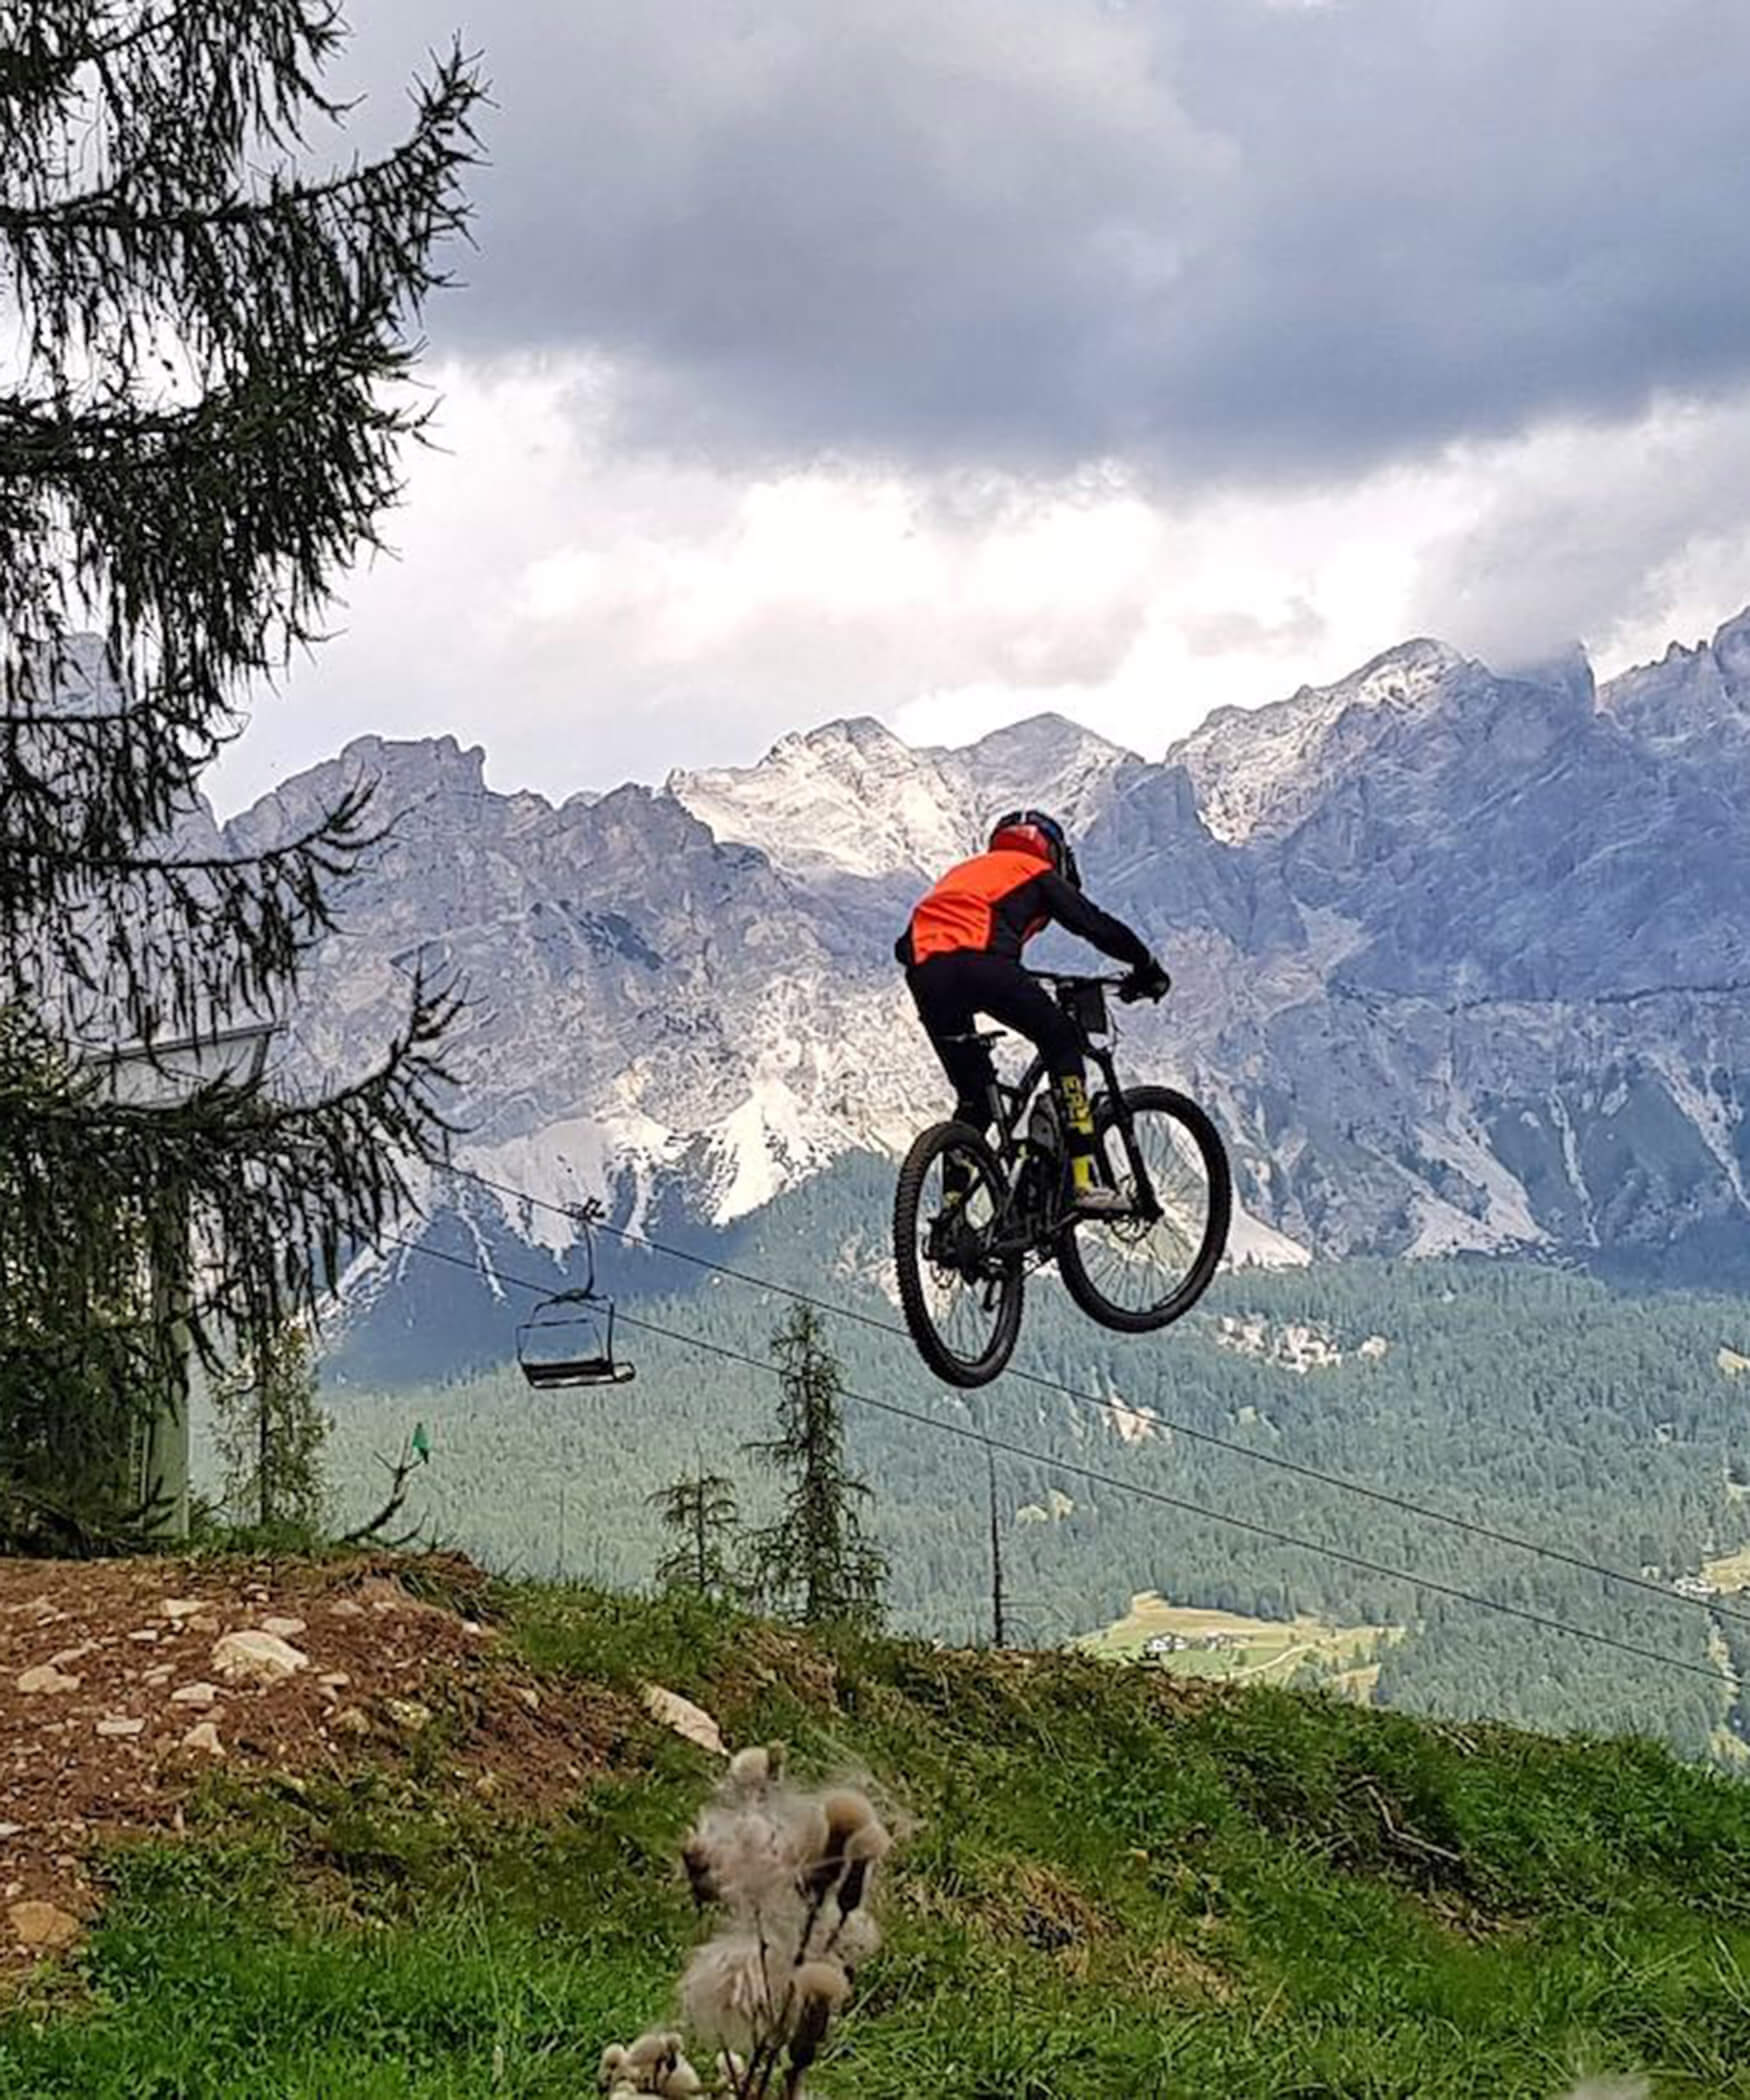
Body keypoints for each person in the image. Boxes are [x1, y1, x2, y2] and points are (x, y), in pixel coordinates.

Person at [895, 809, 1170, 1217]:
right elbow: (1093, 924)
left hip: (926, 974)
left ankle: (951, 1216)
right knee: (1061, 1039)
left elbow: (905, 945)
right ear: (1053, 851)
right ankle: (1082, 1180)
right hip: (984, 963)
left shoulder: (964, 873)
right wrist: (1145, 965)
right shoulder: (1032, 871)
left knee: (975, 1098)